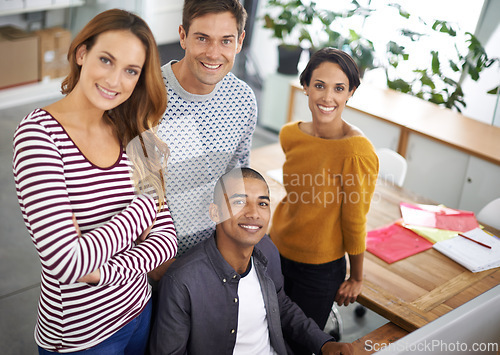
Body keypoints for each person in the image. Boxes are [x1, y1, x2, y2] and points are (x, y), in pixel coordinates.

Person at [12, 9, 177, 354]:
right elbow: (69, 263)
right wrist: (144, 207)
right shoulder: (39, 137)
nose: (115, 81)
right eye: (106, 60)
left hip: (139, 311)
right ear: (82, 53)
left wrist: (101, 272)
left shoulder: (129, 128)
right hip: (82, 336)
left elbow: (166, 241)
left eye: (131, 70)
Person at [149, 168, 354, 355]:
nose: (254, 213)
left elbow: (281, 305)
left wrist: (324, 343)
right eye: (239, 202)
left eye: (262, 203)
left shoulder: (268, 249)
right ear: (215, 212)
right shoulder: (182, 280)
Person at [269, 48, 379, 353]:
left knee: (298, 345)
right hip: (275, 250)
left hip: (317, 268)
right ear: (305, 85)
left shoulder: (356, 152)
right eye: (319, 85)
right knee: (264, 333)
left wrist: (356, 277)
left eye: (339, 88)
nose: (327, 97)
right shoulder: (291, 135)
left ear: (351, 93)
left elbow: (355, 219)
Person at [156, 0, 257, 258]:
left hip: (213, 253)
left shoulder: (243, 99)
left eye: (225, 40)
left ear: (240, 41)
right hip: (153, 260)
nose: (214, 53)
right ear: (183, 36)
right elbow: (129, 188)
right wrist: (158, 266)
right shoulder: (147, 96)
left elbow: (236, 176)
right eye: (202, 38)